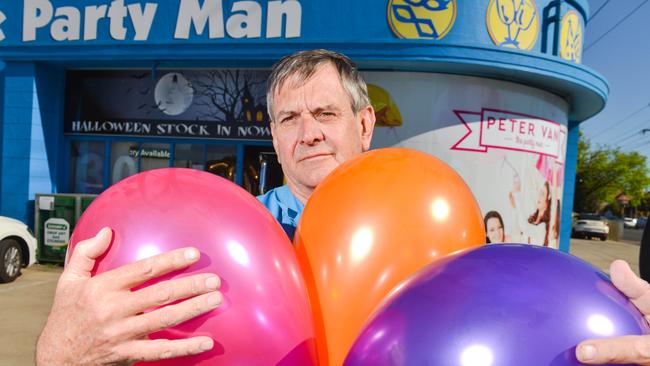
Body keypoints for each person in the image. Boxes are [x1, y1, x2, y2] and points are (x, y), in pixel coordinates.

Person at [35, 49, 650, 365]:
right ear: (273, 138)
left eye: (325, 114)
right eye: (289, 119)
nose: (309, 133)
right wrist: (58, 353)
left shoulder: (447, 231)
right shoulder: (213, 247)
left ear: (364, 124)